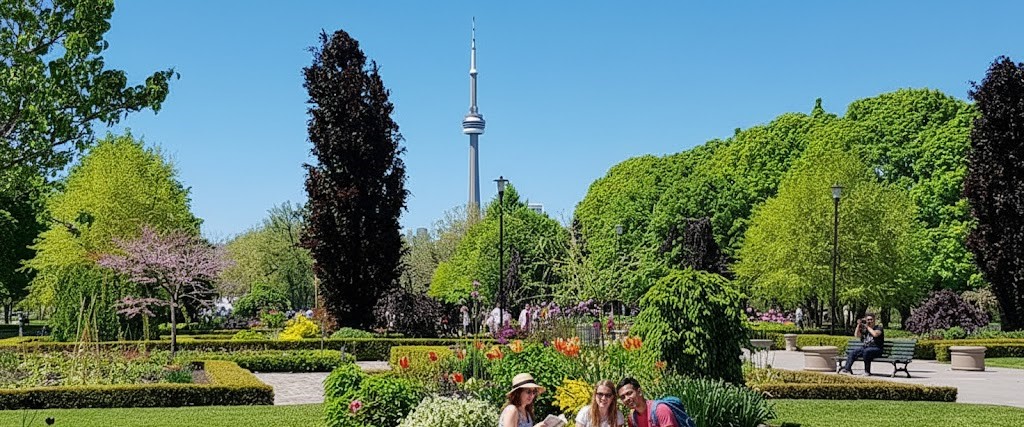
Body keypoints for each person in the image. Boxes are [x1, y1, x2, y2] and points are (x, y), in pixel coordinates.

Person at [617, 377, 695, 427]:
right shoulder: (632, 418)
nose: (626, 398)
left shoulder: (660, 410)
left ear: (639, 391)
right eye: (623, 397)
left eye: (629, 393)